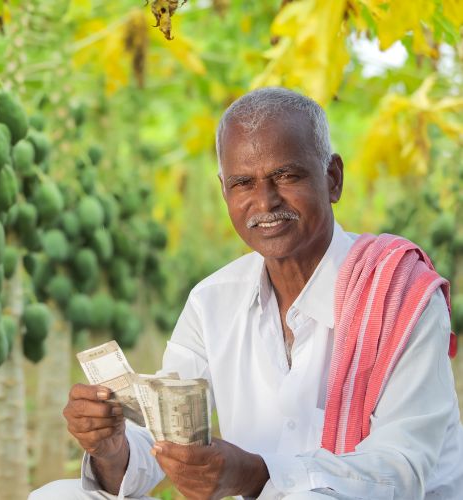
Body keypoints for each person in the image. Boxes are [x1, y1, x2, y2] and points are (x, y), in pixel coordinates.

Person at [30, 87, 462, 499]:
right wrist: (112, 450)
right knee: (57, 496)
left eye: (286, 176)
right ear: (224, 190)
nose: (265, 201)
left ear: (333, 178)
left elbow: (403, 470)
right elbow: (163, 442)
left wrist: (256, 474)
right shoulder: (212, 302)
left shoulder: (400, 296)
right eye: (243, 183)